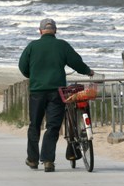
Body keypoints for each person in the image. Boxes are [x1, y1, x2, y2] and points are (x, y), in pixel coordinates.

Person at [18, 18, 93, 172]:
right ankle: (47, 161)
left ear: (40, 31)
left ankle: (32, 159)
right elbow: (76, 62)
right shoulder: (62, 45)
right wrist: (88, 71)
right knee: (53, 126)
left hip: (37, 91)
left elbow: (22, 66)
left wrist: (32, 75)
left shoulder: (32, 46)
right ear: (55, 31)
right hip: (56, 91)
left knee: (35, 125)